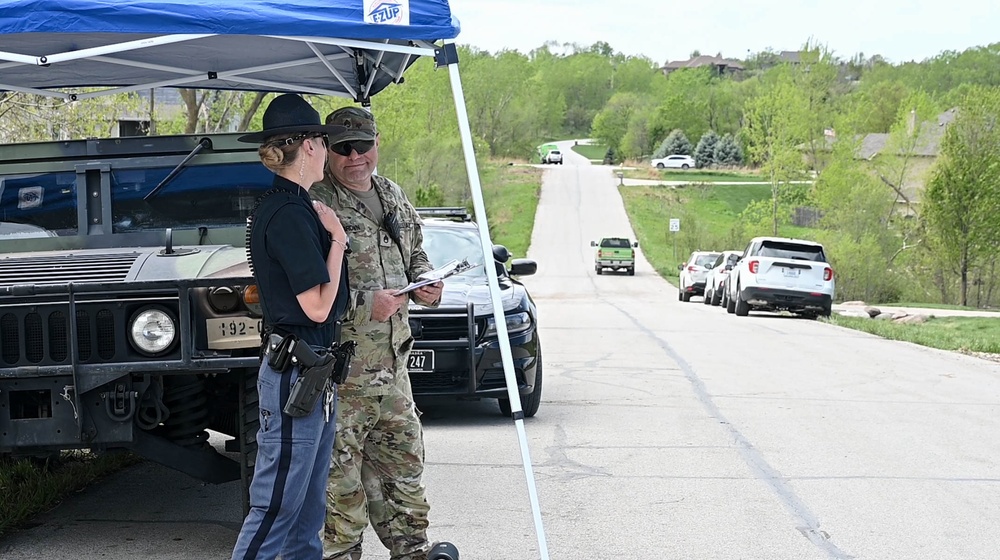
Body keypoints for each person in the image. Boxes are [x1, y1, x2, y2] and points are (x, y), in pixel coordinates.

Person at [311, 107, 443, 560]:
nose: (354, 157)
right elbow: (305, 293)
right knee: (341, 479)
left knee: (404, 465)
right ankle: (342, 555)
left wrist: (426, 282)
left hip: (394, 366)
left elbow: (416, 253)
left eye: (361, 146)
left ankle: (412, 550)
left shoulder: (392, 194)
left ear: (376, 143)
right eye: (342, 148)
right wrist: (366, 305)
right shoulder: (316, 204)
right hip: (344, 374)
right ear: (327, 150)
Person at [231, 93, 352, 560]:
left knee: (306, 514)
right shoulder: (287, 214)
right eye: (323, 141)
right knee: (278, 507)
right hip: (295, 376)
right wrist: (337, 242)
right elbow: (318, 308)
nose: (327, 151)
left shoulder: (296, 207)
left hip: (313, 374)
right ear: (308, 146)